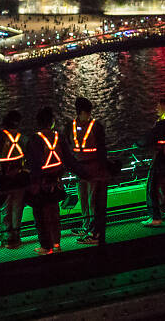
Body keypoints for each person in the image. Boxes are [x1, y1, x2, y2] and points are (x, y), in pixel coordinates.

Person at [69, 97, 109, 245]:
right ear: (82, 112)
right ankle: (88, 227)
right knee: (85, 200)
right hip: (83, 169)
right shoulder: (78, 126)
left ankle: (94, 233)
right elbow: (102, 149)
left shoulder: (75, 126)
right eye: (88, 112)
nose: (89, 115)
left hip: (89, 169)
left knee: (93, 202)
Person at [26, 107, 65, 255]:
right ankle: (57, 244)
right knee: (55, 214)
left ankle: (46, 246)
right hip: (56, 182)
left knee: (41, 216)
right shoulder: (58, 137)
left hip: (41, 185)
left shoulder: (34, 140)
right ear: (52, 122)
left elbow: (33, 165)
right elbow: (67, 159)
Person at [0, 111, 28, 249]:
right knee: (18, 208)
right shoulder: (22, 138)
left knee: (5, 208)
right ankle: (16, 237)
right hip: (19, 177)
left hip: (3, 179)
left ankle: (7, 239)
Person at [138, 98, 165, 227]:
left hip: (160, 157)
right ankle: (161, 211)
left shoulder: (162, 123)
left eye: (158, 106)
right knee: (163, 185)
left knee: (152, 186)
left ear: (163, 108)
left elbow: (150, 137)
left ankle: (155, 217)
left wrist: (138, 144)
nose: (156, 108)